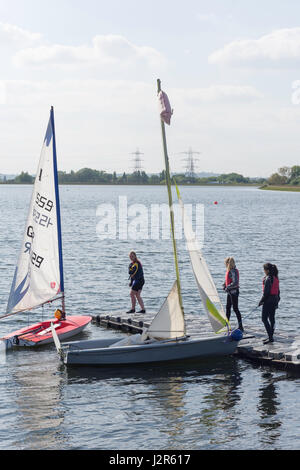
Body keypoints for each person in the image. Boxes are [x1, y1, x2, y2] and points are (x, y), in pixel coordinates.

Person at [259, 263, 280, 344]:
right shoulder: (275, 278)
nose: (264, 271)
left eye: (264, 270)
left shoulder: (268, 279)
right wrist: (277, 301)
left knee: (264, 319)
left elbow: (266, 293)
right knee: (272, 318)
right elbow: (278, 292)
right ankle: (270, 337)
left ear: (267, 270)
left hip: (268, 301)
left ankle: (270, 337)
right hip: (275, 300)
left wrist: (261, 301)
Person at [223, 257, 244, 331]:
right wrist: (224, 285)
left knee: (235, 309)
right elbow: (228, 280)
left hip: (234, 292)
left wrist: (227, 287)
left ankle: (241, 326)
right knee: (228, 307)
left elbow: (235, 282)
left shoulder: (233, 271)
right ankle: (226, 323)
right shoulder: (230, 271)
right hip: (230, 292)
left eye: (225, 263)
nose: (225, 265)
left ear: (228, 264)